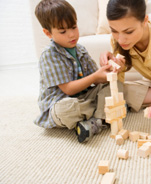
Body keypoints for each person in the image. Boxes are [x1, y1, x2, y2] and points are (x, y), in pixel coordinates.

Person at [34, 0, 116, 143]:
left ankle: (95, 120)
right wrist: (96, 77)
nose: (72, 35)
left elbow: (97, 78)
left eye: (73, 27)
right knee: (66, 109)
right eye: (63, 31)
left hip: (83, 97)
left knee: (113, 87)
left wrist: (109, 68)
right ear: (48, 33)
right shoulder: (49, 55)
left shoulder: (81, 50)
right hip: (61, 103)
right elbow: (69, 89)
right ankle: (102, 115)